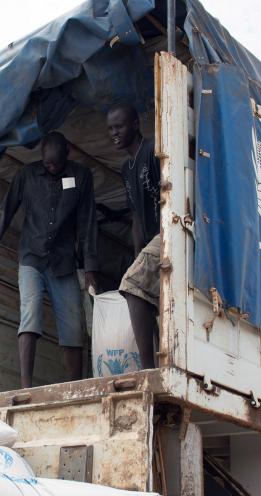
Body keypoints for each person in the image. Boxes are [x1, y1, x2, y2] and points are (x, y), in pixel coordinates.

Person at [0, 131, 98, 388]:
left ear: (67, 154)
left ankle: (75, 387)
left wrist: (90, 268)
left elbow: (87, 224)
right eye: (47, 163)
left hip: (64, 263)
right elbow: (5, 211)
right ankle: (26, 387)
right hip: (32, 259)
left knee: (73, 326)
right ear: (41, 157)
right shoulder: (26, 176)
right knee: (30, 315)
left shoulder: (81, 177)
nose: (51, 168)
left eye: (57, 163)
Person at [107, 103, 161, 369]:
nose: (113, 133)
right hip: (152, 241)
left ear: (136, 125)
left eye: (119, 126)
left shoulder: (153, 151)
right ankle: (159, 362)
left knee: (132, 284)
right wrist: (138, 254)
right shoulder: (127, 168)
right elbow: (136, 216)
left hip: (169, 233)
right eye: (110, 129)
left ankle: (148, 368)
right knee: (149, 297)